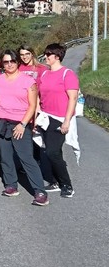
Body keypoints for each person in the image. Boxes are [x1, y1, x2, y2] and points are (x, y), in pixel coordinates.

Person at [0, 50, 49, 206]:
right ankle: (11, 185)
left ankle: (40, 191)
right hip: (0, 122)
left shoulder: (28, 81)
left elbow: (32, 106)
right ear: (2, 64)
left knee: (26, 158)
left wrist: (23, 124)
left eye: (12, 61)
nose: (9, 64)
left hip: (20, 123)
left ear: (17, 62)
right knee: (5, 157)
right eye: (5, 62)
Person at [37, 43, 78, 198]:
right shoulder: (45, 74)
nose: (46, 57)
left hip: (60, 118)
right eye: (45, 54)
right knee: (50, 151)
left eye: (49, 54)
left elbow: (72, 98)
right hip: (45, 117)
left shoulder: (67, 74)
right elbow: (40, 96)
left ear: (57, 56)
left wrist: (66, 121)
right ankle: (54, 181)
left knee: (53, 152)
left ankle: (67, 185)